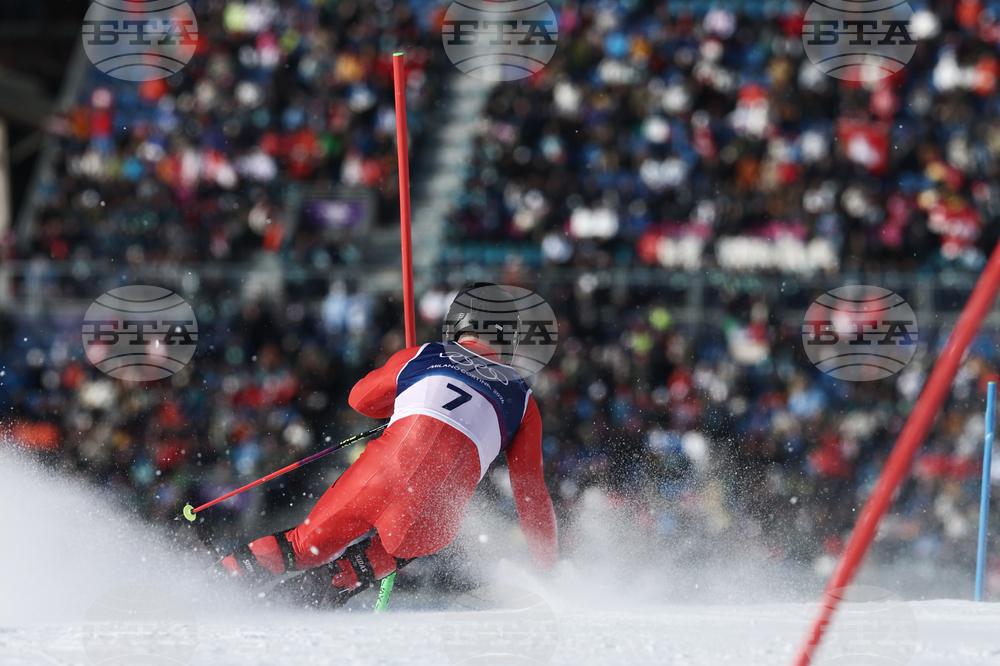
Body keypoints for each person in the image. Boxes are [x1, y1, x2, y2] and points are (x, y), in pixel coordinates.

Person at [219, 283, 558, 606]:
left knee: (303, 547)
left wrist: (401, 398)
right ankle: (338, 580)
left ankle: (216, 583)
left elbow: (358, 400)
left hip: (380, 476)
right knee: (407, 539)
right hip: (430, 518)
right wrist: (548, 567)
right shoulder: (523, 400)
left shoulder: (425, 354)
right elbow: (531, 494)